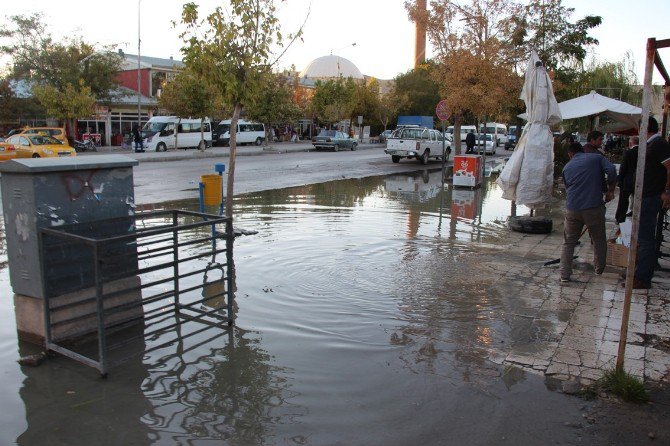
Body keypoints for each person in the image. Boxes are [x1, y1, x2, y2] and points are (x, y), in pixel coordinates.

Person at [559, 142, 617, 282]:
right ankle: (599, 269)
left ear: (570, 154)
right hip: (593, 208)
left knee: (569, 242)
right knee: (598, 239)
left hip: (572, 209)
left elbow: (568, 188)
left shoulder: (567, 167)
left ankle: (564, 275)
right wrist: (610, 191)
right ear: (582, 151)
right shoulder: (595, 158)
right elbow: (612, 171)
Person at [627, 117, 670, 289]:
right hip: (645, 196)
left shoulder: (658, 144)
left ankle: (642, 277)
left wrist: (667, 191)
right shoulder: (652, 144)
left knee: (645, 239)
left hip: (651, 197)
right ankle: (637, 272)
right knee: (641, 237)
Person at [614, 136, 639, 224]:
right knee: (637, 200)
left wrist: (619, 180)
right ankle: (636, 216)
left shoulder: (628, 153)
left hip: (627, 180)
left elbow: (623, 168)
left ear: (630, 143)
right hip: (639, 180)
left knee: (623, 200)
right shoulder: (643, 152)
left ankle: (620, 218)